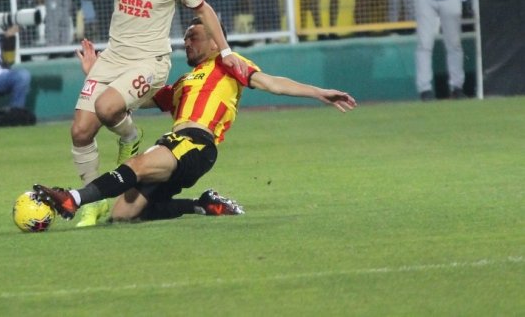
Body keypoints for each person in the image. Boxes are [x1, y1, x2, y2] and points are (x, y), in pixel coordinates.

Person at [32, 17, 356, 223]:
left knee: (142, 165)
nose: (188, 42)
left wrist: (319, 92)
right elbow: (131, 98)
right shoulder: (182, 85)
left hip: (197, 142)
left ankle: (72, 198)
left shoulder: (227, 63)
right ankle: (202, 205)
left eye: (195, 36)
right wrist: (96, 75)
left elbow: (271, 82)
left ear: (216, 41)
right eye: (185, 38)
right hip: (177, 145)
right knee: (124, 215)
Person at [64, 0, 247, 227]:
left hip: (149, 62)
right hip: (113, 57)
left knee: (107, 108)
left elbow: (203, 9)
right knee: (80, 130)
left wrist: (226, 51)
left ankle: (131, 136)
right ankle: (92, 205)